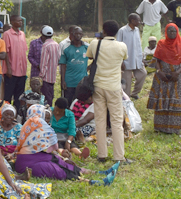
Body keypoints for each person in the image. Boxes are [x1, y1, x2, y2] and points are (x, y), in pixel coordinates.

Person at [14, 105, 100, 181]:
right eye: (45, 118)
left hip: (37, 157)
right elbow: (48, 149)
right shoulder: (33, 130)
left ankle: (95, 172)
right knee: (54, 168)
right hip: (28, 162)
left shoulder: (33, 127)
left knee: (60, 161)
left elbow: (49, 150)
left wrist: (63, 158)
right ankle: (87, 181)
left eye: (48, 118)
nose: (47, 121)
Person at [87, 20, 130, 164]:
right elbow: (123, 61)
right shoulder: (122, 46)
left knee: (100, 120)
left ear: (103, 31)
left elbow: (90, 57)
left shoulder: (95, 43)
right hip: (114, 87)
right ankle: (119, 156)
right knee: (117, 122)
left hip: (98, 86)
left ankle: (102, 155)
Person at [147, 23, 181, 134]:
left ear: (177, 32)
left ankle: (175, 128)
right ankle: (160, 127)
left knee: (175, 98)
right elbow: (156, 59)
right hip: (162, 77)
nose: (172, 33)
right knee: (161, 98)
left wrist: (177, 73)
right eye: (170, 31)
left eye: (174, 31)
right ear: (166, 32)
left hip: (177, 78)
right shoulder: (161, 44)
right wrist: (159, 71)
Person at [116, 14, 147, 99]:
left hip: (137, 59)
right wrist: (121, 61)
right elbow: (118, 46)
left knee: (143, 74)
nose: (140, 22)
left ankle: (135, 93)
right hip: (127, 61)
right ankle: (126, 99)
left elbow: (138, 45)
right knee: (127, 82)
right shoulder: (122, 30)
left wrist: (141, 57)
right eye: (138, 20)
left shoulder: (137, 30)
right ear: (132, 21)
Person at [2, 15, 27, 108]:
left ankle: (17, 115)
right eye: (18, 21)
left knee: (19, 96)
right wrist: (8, 68)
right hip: (11, 71)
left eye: (21, 21)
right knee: (8, 96)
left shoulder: (22, 34)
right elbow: (6, 52)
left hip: (22, 71)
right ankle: (6, 113)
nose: (20, 22)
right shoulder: (7, 34)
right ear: (12, 22)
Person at [59, 26, 88, 103]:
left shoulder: (87, 47)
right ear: (72, 34)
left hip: (82, 81)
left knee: (80, 102)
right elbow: (63, 65)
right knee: (68, 102)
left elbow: (95, 58)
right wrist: (63, 81)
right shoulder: (66, 47)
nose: (78, 35)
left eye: (80, 34)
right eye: (76, 33)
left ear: (82, 35)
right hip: (69, 81)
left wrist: (88, 68)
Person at [38, 26, 60, 106]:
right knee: (50, 96)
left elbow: (44, 63)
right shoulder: (56, 44)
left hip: (46, 77)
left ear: (43, 35)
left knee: (45, 99)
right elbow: (59, 59)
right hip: (53, 76)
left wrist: (41, 76)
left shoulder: (45, 45)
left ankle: (47, 113)